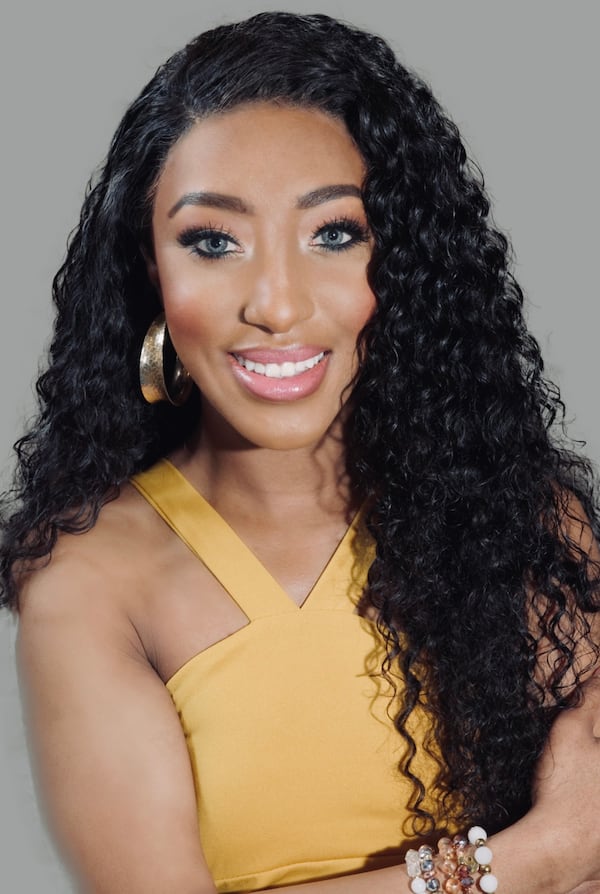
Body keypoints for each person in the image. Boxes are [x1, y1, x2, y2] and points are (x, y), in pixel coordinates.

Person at [1, 10, 599, 894]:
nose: (277, 304)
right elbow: (578, 846)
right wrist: (530, 860)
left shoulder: (520, 519)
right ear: (152, 270)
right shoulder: (89, 581)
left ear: (403, 261)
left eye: (334, 234)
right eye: (213, 242)